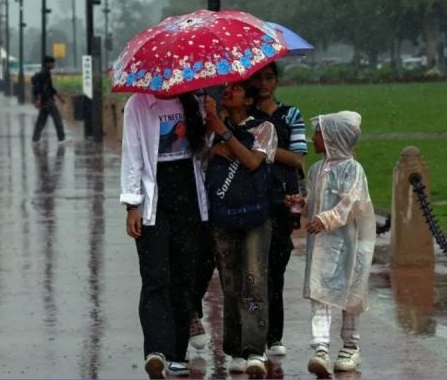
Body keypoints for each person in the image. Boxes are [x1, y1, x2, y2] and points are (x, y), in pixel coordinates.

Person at [121, 91, 208, 378]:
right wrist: (132, 204)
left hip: (190, 199)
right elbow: (132, 154)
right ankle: (156, 350)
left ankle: (177, 353)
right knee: (156, 276)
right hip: (153, 201)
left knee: (185, 276)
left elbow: (205, 150)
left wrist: (209, 116)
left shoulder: (195, 101)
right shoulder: (138, 104)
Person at [203, 80, 277, 378]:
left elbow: (252, 161)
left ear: (248, 100)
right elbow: (198, 160)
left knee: (254, 281)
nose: (228, 91)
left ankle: (255, 349)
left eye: (236, 89)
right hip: (222, 216)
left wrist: (223, 132)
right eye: (227, 87)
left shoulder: (264, 128)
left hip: (255, 217)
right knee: (230, 283)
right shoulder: (210, 130)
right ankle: (234, 348)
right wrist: (212, 146)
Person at [304, 111, 375, 376]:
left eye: (318, 134)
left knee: (350, 293)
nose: (313, 138)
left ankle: (350, 346)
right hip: (322, 244)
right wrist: (301, 204)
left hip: (349, 243)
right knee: (319, 292)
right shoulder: (316, 170)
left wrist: (326, 219)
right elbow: (313, 201)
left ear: (333, 138)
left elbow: (352, 203)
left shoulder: (353, 170)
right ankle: (320, 347)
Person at [249, 61, 307, 358]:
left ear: (276, 81)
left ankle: (274, 335)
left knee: (276, 271)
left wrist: (264, 148)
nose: (263, 84)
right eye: (258, 78)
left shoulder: (291, 115)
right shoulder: (245, 116)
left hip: (283, 201)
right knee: (253, 273)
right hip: (252, 199)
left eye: (269, 77)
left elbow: (297, 159)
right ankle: (253, 336)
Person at [31, 56, 66, 143]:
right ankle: (61, 138)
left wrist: (59, 97)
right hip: (47, 100)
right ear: (47, 64)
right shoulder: (45, 73)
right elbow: (41, 88)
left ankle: (35, 138)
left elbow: (50, 87)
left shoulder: (46, 72)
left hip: (45, 100)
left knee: (41, 121)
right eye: (52, 63)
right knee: (57, 118)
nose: (54, 64)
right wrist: (38, 100)